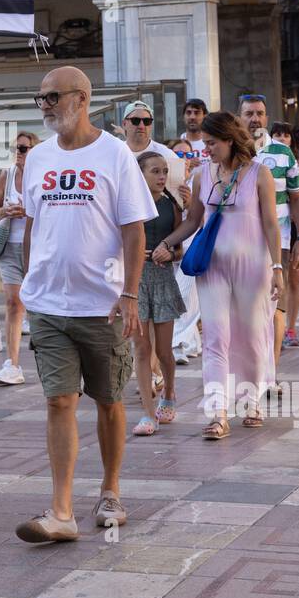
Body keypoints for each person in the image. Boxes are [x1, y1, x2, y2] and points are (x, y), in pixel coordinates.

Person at [14, 67, 154, 544]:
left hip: (103, 305)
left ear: (82, 98)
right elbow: (33, 223)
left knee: (110, 402)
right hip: (49, 304)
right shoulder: (37, 158)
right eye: (41, 98)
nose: (46, 105)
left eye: (53, 96)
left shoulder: (114, 153)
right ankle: (61, 510)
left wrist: (131, 293)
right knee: (58, 400)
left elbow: (134, 229)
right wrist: (30, 279)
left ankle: (111, 489)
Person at [153, 111, 281, 438]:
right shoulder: (202, 176)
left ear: (229, 139)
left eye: (211, 143)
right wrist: (167, 242)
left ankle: (251, 400)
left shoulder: (259, 174)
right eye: (205, 143)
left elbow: (270, 223)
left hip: (254, 267)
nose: (206, 150)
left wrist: (278, 267)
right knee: (215, 338)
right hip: (212, 267)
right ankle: (218, 412)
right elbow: (193, 220)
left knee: (251, 337)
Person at [237, 98, 299, 364]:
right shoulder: (230, 151)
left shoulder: (282, 152)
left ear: (267, 118)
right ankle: (250, 366)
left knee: (276, 304)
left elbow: (297, 198)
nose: (255, 118)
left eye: (260, 113)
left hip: (278, 240)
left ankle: (271, 371)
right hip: (239, 241)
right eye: (249, 114)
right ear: (239, 116)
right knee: (246, 307)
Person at [130, 151, 185, 437]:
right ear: (140, 174)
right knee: (141, 349)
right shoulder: (128, 203)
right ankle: (147, 413)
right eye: (155, 171)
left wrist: (169, 250)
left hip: (162, 278)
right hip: (135, 281)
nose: (162, 176)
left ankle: (170, 392)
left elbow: (180, 250)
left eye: (164, 171)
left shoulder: (171, 205)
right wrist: (134, 253)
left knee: (163, 350)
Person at [0, 130, 39, 386]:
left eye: (24, 148)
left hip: (38, 248)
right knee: (13, 303)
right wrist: (5, 211)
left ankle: (47, 354)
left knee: (39, 304)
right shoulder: (7, 175)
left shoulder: (43, 175)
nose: (19, 153)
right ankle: (12, 362)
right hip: (10, 246)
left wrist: (29, 212)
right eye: (17, 148)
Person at [264, 122, 299, 350]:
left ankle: (288, 328)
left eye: (286, 134)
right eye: (277, 134)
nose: (282, 138)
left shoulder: (295, 161)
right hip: (255, 236)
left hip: (285, 230)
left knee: (291, 281)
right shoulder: (240, 153)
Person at [121, 101, 185, 192]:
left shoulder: (167, 155)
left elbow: (178, 197)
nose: (141, 126)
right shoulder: (115, 153)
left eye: (147, 121)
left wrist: (187, 200)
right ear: (124, 124)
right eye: (135, 121)